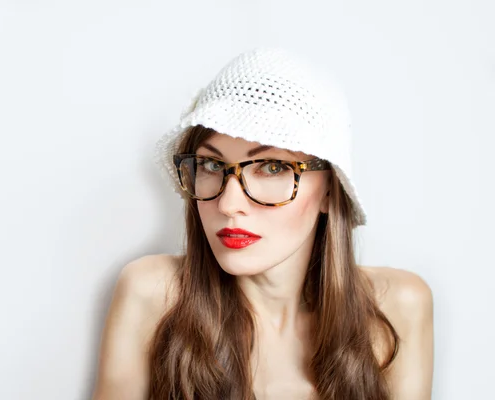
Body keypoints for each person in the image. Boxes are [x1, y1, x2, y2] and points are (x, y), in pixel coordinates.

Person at [92, 48, 434, 400]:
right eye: (211, 165)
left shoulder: (396, 307)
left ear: (331, 190)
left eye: (272, 167)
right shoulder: (154, 294)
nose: (228, 204)